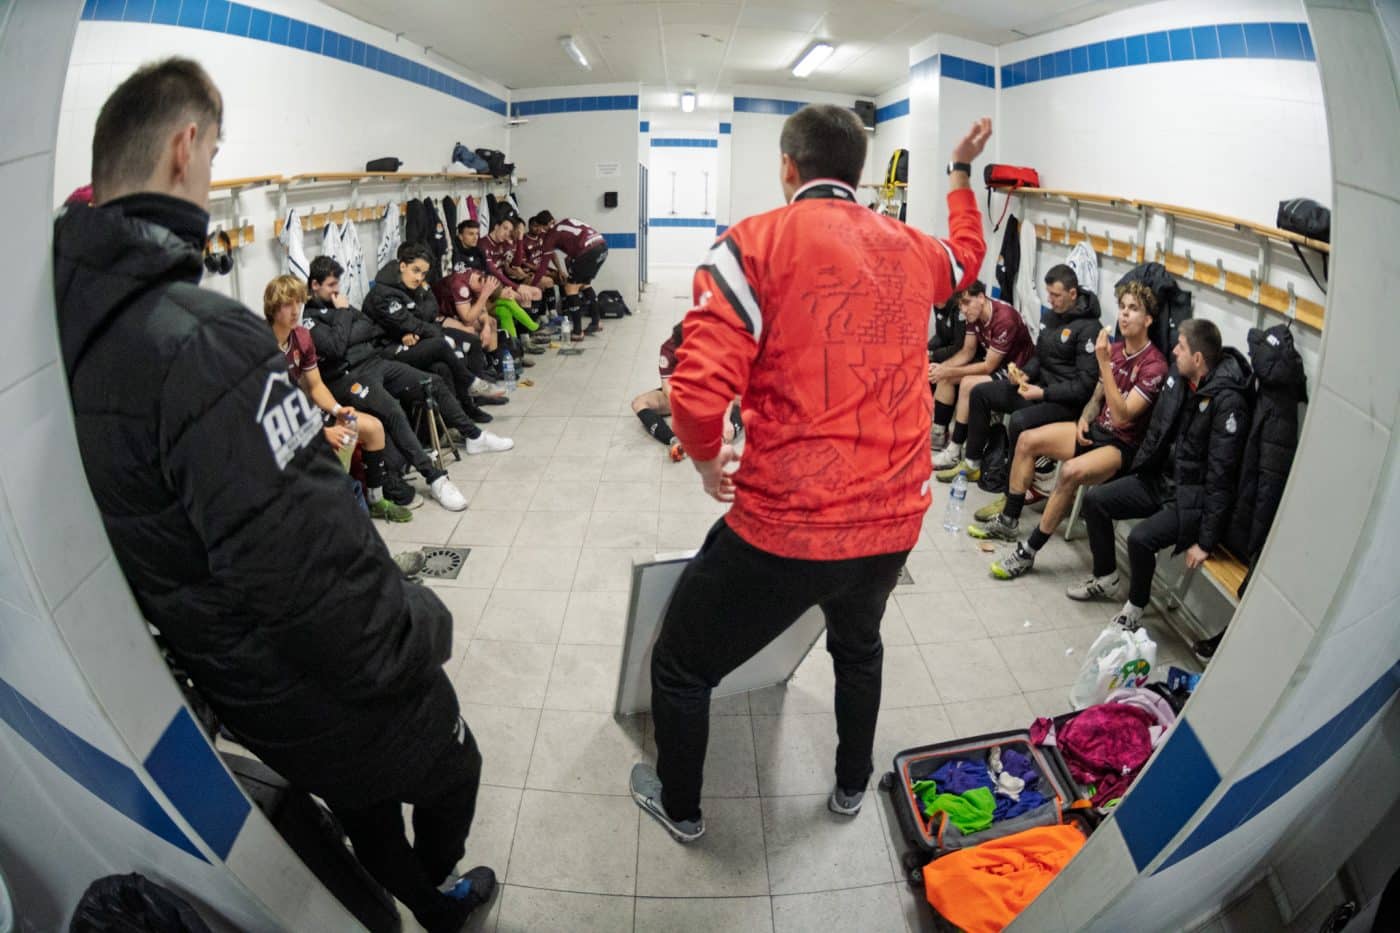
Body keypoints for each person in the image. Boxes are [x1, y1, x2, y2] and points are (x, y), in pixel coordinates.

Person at [52, 59, 495, 930]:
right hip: (330, 679)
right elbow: (310, 561)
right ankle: (437, 891)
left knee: (364, 808)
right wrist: (416, 628)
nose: (210, 168)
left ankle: (409, 899)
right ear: (186, 147)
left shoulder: (68, 336)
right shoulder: (204, 341)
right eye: (214, 153)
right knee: (456, 766)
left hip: (248, 687)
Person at [629, 104, 992, 843]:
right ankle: (852, 785)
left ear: (788, 167)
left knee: (682, 663)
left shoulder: (751, 244)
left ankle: (681, 805)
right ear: (858, 171)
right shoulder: (910, 246)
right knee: (858, 647)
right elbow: (966, 256)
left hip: (788, 527)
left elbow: (695, 392)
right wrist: (960, 172)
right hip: (894, 521)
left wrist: (706, 461)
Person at [967, 282, 1169, 580]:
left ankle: (1029, 551)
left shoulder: (1154, 365)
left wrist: (1104, 364)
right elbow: (1097, 398)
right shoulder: (1115, 350)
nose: (1124, 315)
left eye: (1133, 309)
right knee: (1026, 440)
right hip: (1097, 429)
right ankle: (1009, 521)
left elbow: (1123, 415)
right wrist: (1086, 417)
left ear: (1148, 319)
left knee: (1070, 472)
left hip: (1122, 446)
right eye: (1122, 307)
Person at [1076, 320, 1251, 631]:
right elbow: (1157, 432)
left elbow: (1221, 476)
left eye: (1181, 347)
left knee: (1140, 539)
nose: (1174, 351)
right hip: (1160, 478)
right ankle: (1106, 577)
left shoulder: (1228, 402)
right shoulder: (1179, 378)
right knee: (1095, 501)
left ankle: (1135, 607)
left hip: (1190, 498)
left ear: (1198, 358)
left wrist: (1206, 541)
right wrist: (1140, 468)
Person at [262, 274, 413, 523]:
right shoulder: (261, 347)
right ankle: (332, 507)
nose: (295, 310)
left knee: (371, 428)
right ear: (273, 307)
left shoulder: (301, 336)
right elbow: (272, 411)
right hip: (278, 429)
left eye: (299, 302)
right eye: (288, 304)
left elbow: (316, 385)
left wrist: (337, 409)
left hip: (303, 413)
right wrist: (320, 433)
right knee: (334, 442)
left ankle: (375, 499)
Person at [959, 264, 1105, 509]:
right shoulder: (1051, 316)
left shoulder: (1090, 329)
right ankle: (972, 464)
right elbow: (1040, 356)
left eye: (1056, 295)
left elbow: (1084, 386)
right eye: (1049, 294)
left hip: (1064, 404)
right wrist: (1024, 374)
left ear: (1073, 294)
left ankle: (1010, 493)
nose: (1050, 300)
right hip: (1038, 389)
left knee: (1019, 421)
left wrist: (1044, 392)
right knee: (980, 393)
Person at [929, 279, 1034, 481]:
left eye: (967, 302)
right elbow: (967, 351)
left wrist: (948, 370)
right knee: (946, 378)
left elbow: (989, 366)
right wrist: (943, 369)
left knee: (967, 384)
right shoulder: (973, 313)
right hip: (996, 364)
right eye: (960, 304)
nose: (963, 309)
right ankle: (939, 436)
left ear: (981, 297)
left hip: (1016, 372)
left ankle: (955, 451)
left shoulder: (1004, 318)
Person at [631, 323, 741, 461]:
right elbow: (667, 389)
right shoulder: (668, 349)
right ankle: (674, 441)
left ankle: (721, 437)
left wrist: (726, 420)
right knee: (639, 403)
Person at [528, 210, 609, 338]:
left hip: (588, 252)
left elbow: (543, 267)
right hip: (602, 246)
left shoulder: (550, 236)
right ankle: (596, 322)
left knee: (570, 288)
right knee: (584, 284)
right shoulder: (565, 221)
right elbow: (573, 247)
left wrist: (532, 285)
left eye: (541, 228)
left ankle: (577, 332)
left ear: (543, 226)